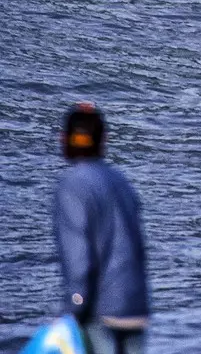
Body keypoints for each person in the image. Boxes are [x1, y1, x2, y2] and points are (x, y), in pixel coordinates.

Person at [52, 103, 150, 354]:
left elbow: (80, 263)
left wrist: (71, 314)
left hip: (100, 313)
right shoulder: (121, 182)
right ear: (103, 140)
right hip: (136, 308)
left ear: (64, 139)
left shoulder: (73, 185)